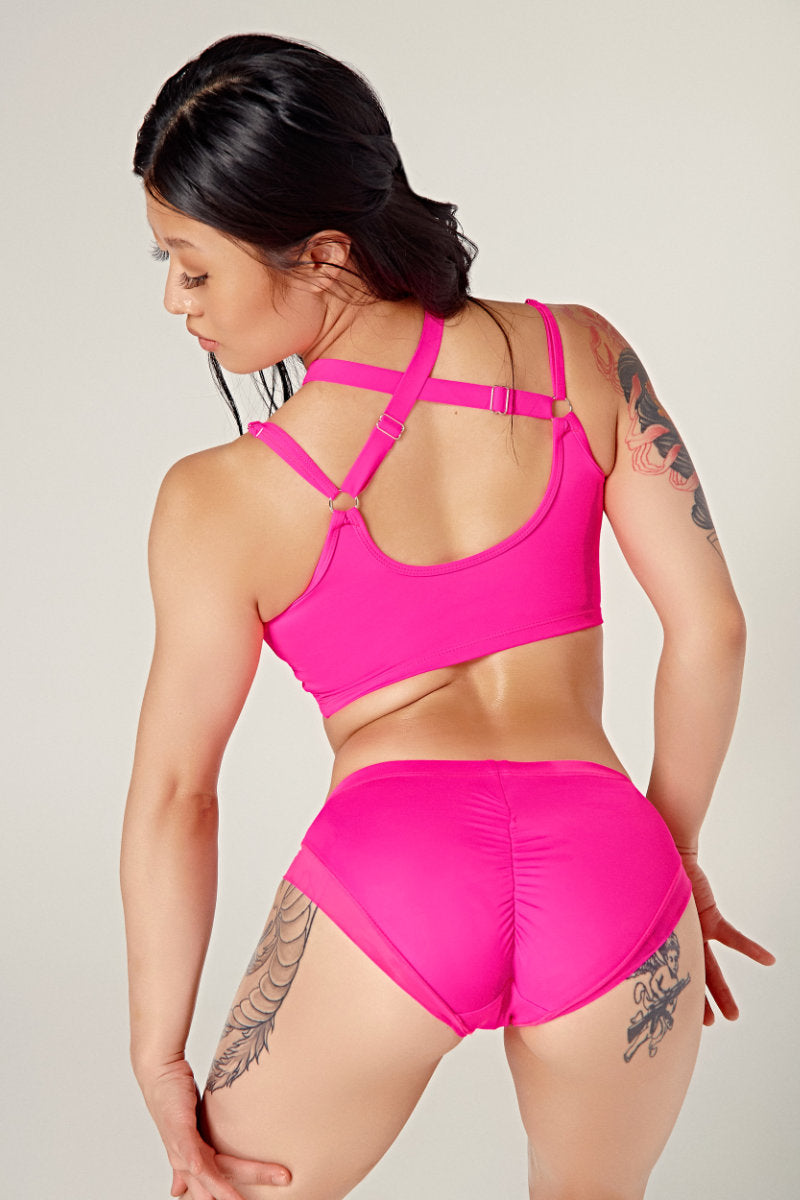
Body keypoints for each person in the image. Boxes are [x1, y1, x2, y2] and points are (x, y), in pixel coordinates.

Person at [120, 32, 776, 1200]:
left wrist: (158, 1052)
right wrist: (672, 855)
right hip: (609, 867)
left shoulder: (218, 498)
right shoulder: (581, 353)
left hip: (393, 873)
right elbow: (711, 628)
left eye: (194, 267)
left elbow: (179, 794)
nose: (176, 301)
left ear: (322, 254)